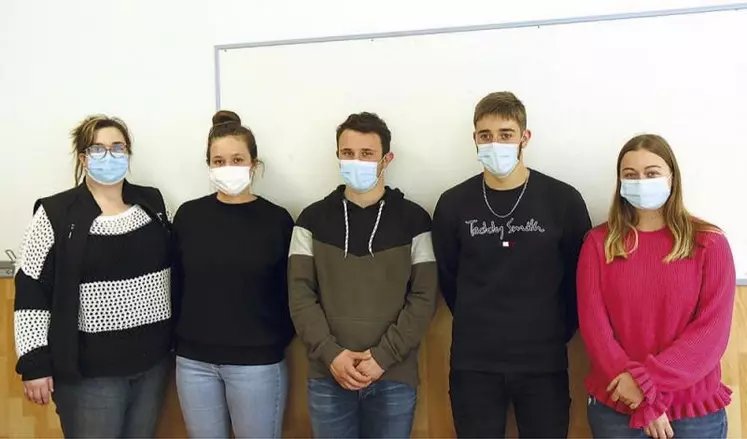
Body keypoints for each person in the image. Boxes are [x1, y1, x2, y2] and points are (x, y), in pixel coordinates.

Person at [432, 91, 592, 438]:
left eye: (505, 134)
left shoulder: (563, 200)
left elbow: (579, 280)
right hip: (474, 364)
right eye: (485, 135)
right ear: (474, 140)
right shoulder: (452, 203)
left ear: (524, 137)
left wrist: (551, 331)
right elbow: (449, 276)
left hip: (543, 363)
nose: (495, 143)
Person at [13, 115, 172, 437]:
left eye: (117, 147)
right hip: (91, 374)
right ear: (83, 158)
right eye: (98, 149)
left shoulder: (152, 202)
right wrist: (33, 364)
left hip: (153, 364)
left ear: (128, 154)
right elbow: (30, 290)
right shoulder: (56, 213)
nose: (109, 155)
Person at [288, 112, 438, 438]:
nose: (356, 161)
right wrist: (332, 354)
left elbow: (424, 298)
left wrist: (383, 357)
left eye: (367, 154)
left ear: (387, 159)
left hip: (393, 376)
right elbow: (300, 295)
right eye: (348, 153)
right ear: (338, 156)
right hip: (328, 374)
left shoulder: (415, 220)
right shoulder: (310, 220)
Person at [578, 134, 735, 439]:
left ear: (672, 178)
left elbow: (710, 335)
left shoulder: (709, 243)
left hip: (693, 411)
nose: (641, 181)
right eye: (630, 175)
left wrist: (645, 388)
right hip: (617, 407)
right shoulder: (599, 244)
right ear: (620, 183)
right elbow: (596, 330)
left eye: (651, 173)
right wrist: (639, 397)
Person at [172, 110, 295, 438]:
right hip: (193, 364)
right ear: (209, 165)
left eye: (237, 159)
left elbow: (291, 293)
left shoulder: (278, 221)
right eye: (219, 160)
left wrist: (271, 341)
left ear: (254, 164)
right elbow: (177, 285)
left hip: (257, 365)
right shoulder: (188, 216)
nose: (228, 167)